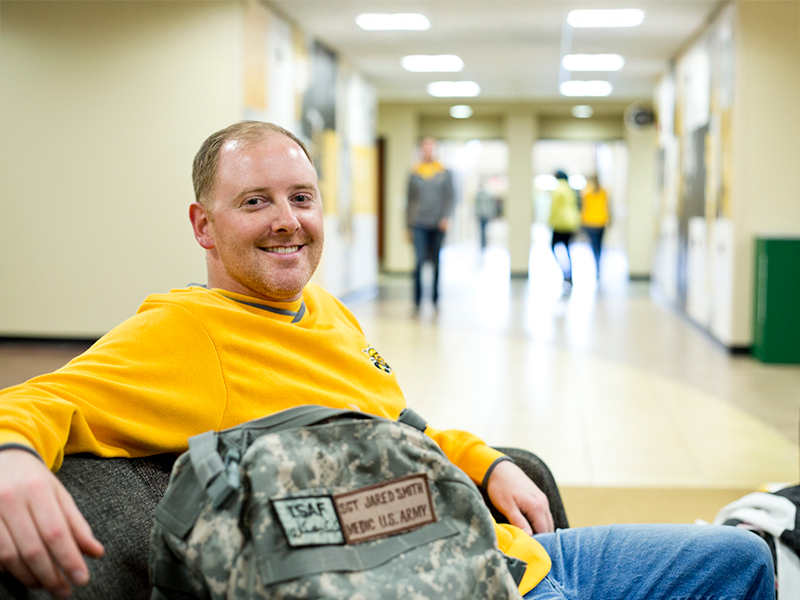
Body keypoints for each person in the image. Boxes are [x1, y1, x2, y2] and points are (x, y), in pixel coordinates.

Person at [0, 122, 774, 600]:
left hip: (507, 554)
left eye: (301, 197)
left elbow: (398, 422)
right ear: (203, 226)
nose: (287, 221)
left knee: (740, 560)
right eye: (256, 201)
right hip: (438, 583)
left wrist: (487, 461)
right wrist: (11, 459)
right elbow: (40, 402)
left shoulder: (326, 311)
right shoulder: (185, 332)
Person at [406, 137, 454, 310]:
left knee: (436, 262)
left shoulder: (444, 172)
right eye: (425, 148)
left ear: (435, 150)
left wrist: (446, 217)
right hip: (418, 223)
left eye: (431, 147)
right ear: (421, 150)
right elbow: (409, 200)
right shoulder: (414, 173)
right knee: (419, 262)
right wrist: (408, 226)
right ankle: (417, 301)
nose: (428, 151)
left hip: (438, 224)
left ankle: (435, 299)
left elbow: (450, 197)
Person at [548, 170, 581, 287]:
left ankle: (566, 273)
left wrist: (550, 220)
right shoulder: (570, 189)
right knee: (567, 249)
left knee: (553, 247)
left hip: (560, 223)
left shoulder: (559, 189)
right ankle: (569, 274)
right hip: (570, 223)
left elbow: (554, 208)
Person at [581, 175, 611, 279]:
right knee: (599, 245)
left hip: (590, 222)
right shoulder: (604, 191)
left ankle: (597, 263)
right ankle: (598, 263)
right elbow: (607, 206)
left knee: (594, 245)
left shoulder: (586, 192)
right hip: (601, 221)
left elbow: (583, 207)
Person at [475, 180, 496, 252]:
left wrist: (491, 213)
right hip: (481, 215)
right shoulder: (479, 195)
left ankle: (484, 244)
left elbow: (490, 205)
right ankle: (483, 244)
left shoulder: (486, 195)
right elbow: (477, 206)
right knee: (482, 230)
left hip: (485, 215)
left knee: (484, 230)